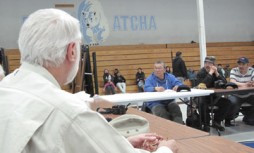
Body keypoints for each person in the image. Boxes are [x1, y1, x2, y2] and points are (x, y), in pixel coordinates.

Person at [0, 9, 178, 153]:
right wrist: (165, 149)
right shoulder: (69, 112)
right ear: (72, 51)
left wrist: (119, 143)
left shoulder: (6, 88)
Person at [196, 56, 233, 131]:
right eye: (205, 62)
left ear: (214, 65)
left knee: (227, 103)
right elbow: (202, 85)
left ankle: (216, 121)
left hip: (214, 97)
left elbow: (225, 83)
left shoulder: (217, 71)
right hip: (203, 97)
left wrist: (216, 73)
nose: (207, 65)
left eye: (209, 63)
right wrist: (210, 73)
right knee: (202, 104)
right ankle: (206, 124)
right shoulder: (201, 72)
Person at [226, 57, 254, 126]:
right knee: (231, 102)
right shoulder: (234, 70)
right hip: (236, 95)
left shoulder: (252, 70)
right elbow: (232, 83)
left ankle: (248, 117)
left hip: (250, 95)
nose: (240, 66)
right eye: (239, 64)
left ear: (247, 64)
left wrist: (239, 84)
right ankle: (228, 120)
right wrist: (246, 84)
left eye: (243, 64)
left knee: (251, 121)